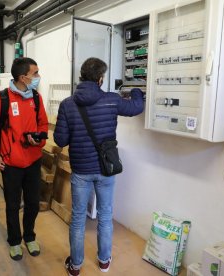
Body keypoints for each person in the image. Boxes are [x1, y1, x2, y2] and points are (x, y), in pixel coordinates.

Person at [53, 57, 144, 275]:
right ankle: (104, 262)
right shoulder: (112, 100)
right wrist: (137, 90)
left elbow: (60, 140)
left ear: (81, 77)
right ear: (101, 79)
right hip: (106, 169)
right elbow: (136, 107)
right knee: (105, 215)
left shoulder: (67, 104)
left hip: (81, 171)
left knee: (77, 219)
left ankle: (75, 266)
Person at [0, 57, 48, 261]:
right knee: (12, 205)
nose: (38, 77)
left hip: (34, 161)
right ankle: (14, 241)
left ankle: (29, 236)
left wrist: (39, 141)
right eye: (35, 73)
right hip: (10, 164)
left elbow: (43, 125)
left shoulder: (36, 98)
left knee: (33, 204)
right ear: (23, 77)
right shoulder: (0, 100)